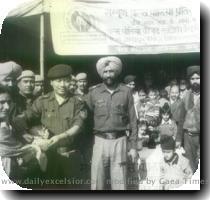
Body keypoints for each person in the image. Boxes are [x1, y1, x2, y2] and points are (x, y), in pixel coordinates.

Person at [14, 64, 85, 189]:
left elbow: (78, 125)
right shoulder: (42, 101)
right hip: (48, 156)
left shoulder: (78, 102)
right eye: (58, 81)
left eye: (66, 80)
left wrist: (60, 137)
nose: (62, 84)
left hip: (70, 154)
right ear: (51, 82)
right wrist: (29, 132)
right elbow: (23, 119)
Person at [86, 56, 138, 190]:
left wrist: (133, 146)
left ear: (116, 72)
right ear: (101, 74)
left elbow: (133, 120)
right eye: (105, 72)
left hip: (120, 141)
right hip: (99, 141)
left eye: (111, 71)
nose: (108, 74)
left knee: (120, 182)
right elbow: (87, 118)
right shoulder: (94, 92)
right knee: (97, 182)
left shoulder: (126, 91)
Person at [0, 87, 47, 188]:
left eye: (8, 102)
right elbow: (13, 148)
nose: (7, 107)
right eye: (2, 102)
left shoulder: (8, 122)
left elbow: (16, 145)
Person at [183, 65, 200, 173]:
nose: (195, 81)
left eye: (197, 78)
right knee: (191, 164)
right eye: (192, 79)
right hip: (188, 136)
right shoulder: (185, 95)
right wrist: (179, 138)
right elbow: (181, 117)